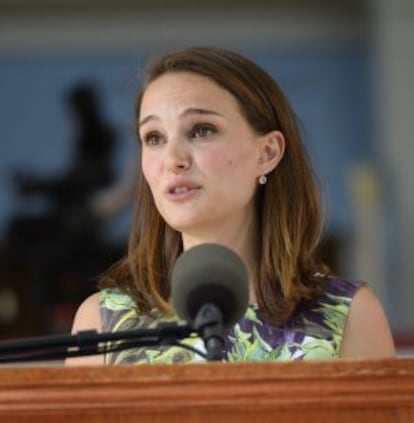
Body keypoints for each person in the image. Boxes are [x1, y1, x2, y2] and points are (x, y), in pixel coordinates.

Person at [67, 46, 395, 366]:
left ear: (267, 153)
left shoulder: (349, 317)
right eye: (154, 137)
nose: (172, 159)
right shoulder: (102, 323)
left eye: (201, 130)